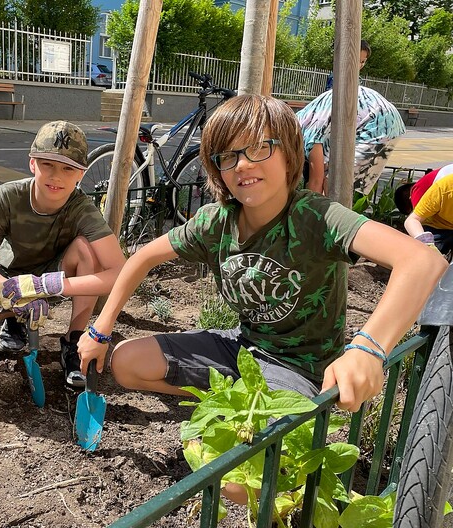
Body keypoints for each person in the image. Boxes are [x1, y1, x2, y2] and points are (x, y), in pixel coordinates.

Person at [78, 94, 445, 426]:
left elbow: (422, 261)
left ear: (289, 155)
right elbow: (141, 258)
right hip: (241, 348)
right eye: (228, 156)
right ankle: (234, 403)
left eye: (259, 148)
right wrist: (100, 330)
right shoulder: (214, 221)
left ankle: (263, 412)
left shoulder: (317, 217)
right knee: (126, 363)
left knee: (237, 479)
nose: (242, 165)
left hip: (300, 369)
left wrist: (368, 347)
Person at [0, 120, 125, 389]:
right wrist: (11, 291)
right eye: (48, 165)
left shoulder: (82, 209)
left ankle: (74, 339)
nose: (56, 176)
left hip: (53, 274)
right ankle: (15, 316)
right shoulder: (8, 196)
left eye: (68, 168)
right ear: (32, 164)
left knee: (85, 248)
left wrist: (49, 286)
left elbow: (118, 272)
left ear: (81, 174)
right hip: (8, 273)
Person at [297, 85, 406, 195]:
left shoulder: (306, 137)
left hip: (379, 124)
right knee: (332, 179)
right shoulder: (300, 121)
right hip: (377, 115)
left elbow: (316, 182)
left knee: (334, 183)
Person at [403, 165, 453, 255]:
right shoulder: (444, 188)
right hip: (439, 227)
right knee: (426, 257)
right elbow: (412, 220)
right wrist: (426, 243)